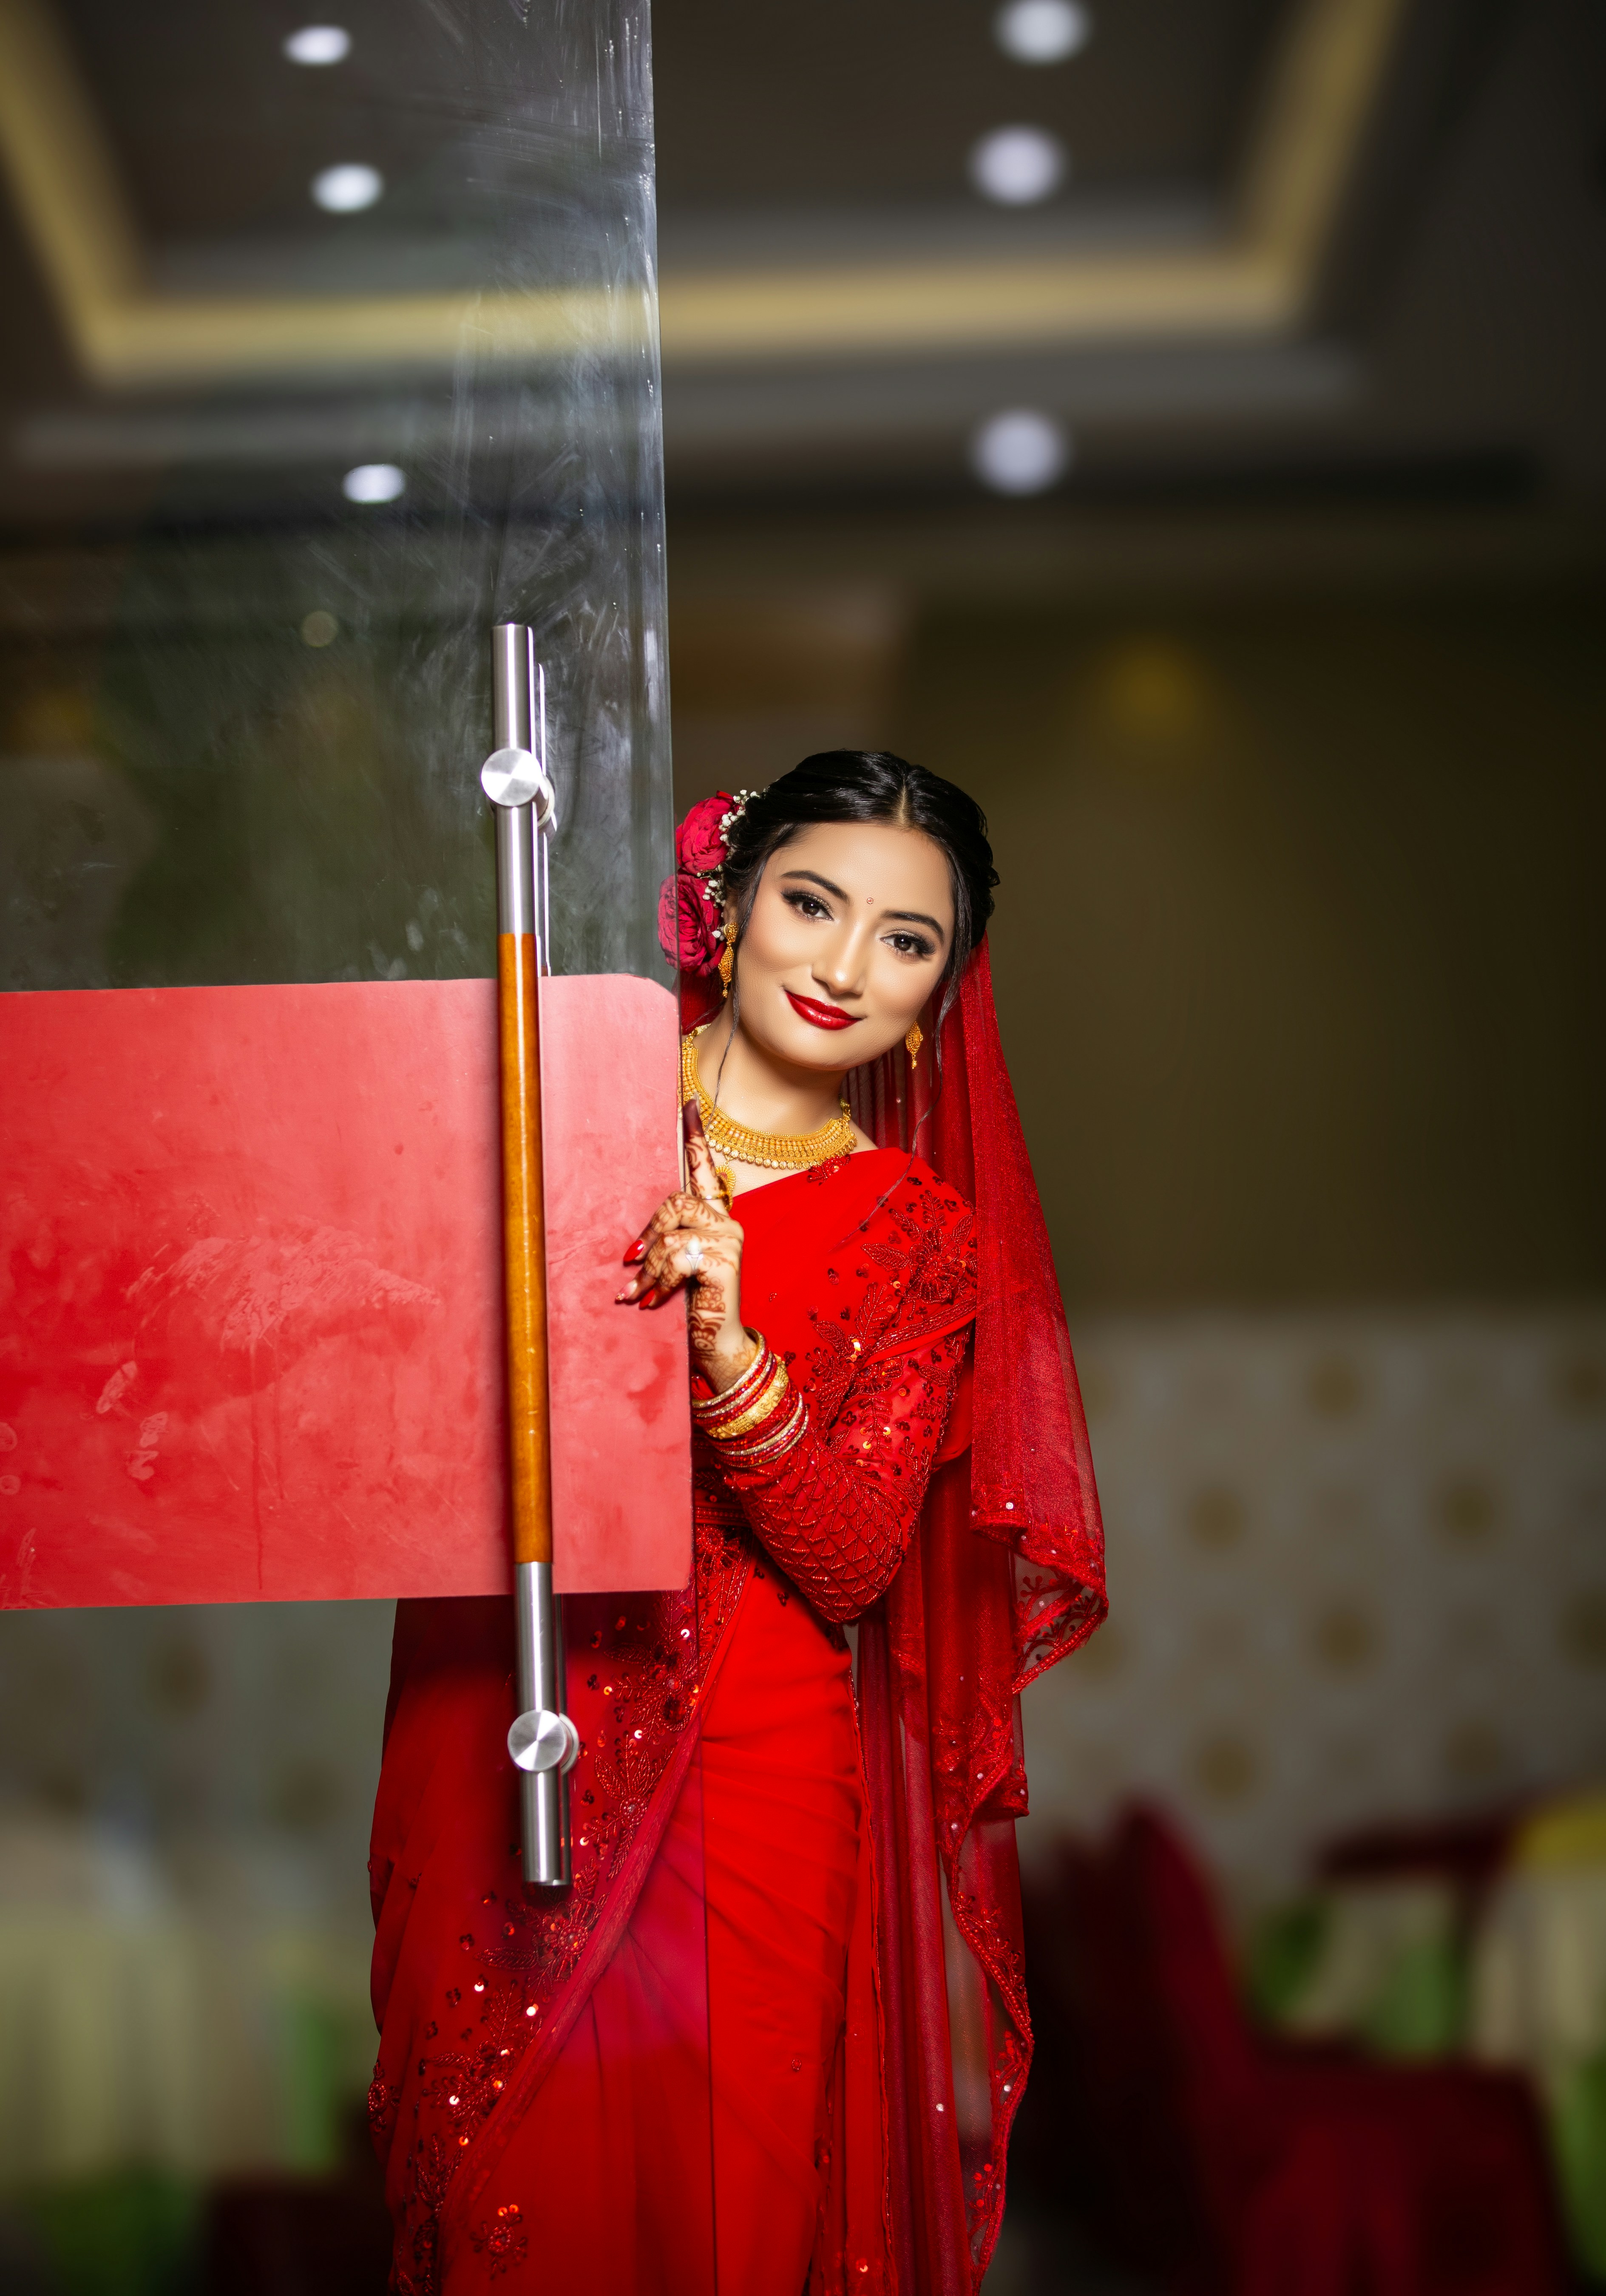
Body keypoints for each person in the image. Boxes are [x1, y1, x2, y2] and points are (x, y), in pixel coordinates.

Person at [367, 752, 1105, 2294]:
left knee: (733, 2214)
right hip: (510, 1705)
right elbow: (393, 1401)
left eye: (905, 939)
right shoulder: (550, 1109)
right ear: (727, 904)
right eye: (812, 903)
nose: (844, 966)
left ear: (944, 987)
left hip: (757, 1766)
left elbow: (851, 1562)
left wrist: (727, 1352)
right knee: (505, 2195)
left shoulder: (918, 1232)